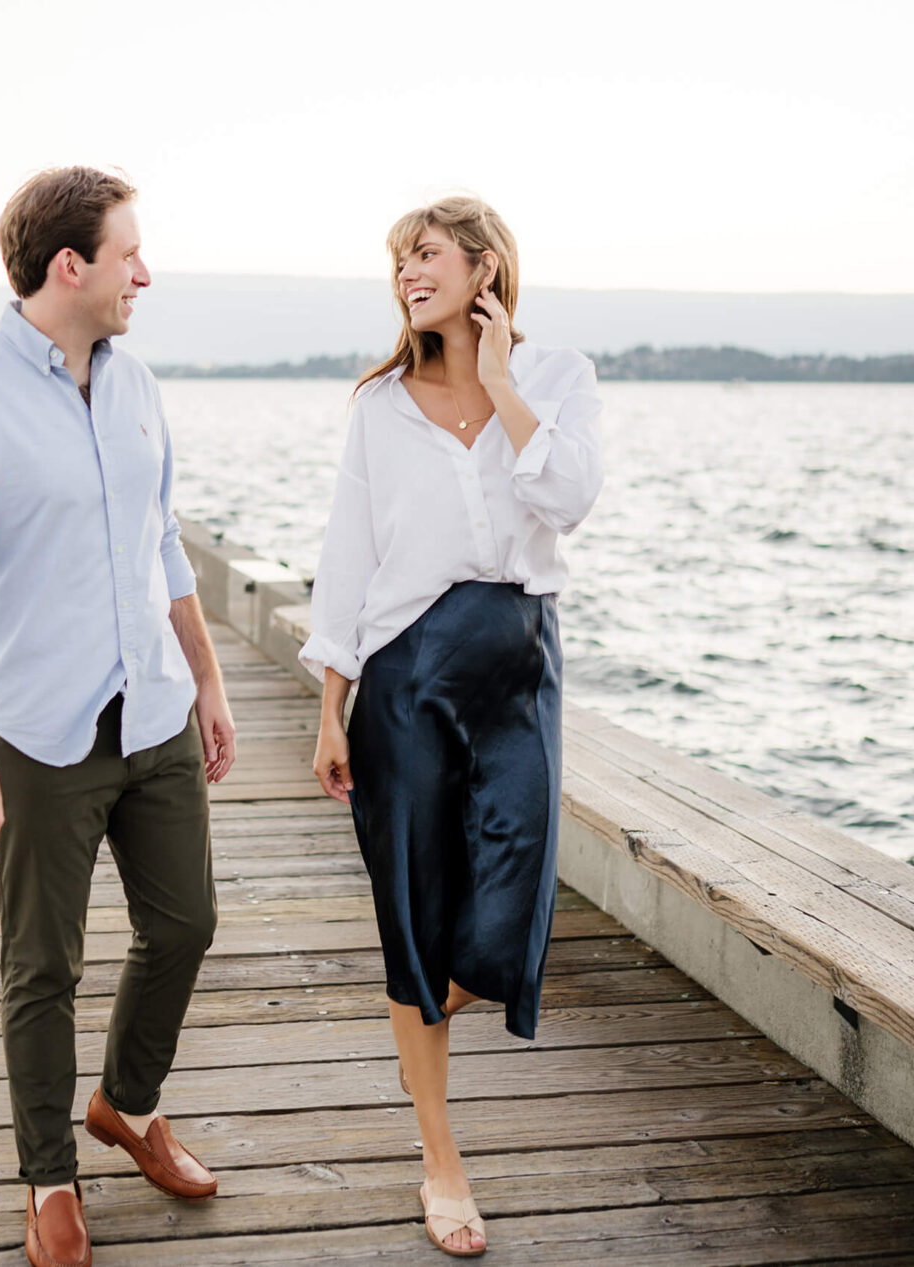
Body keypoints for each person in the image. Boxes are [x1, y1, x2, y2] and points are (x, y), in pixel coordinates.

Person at [0, 167, 237, 1267]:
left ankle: (127, 1107)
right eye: (129, 252)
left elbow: (162, 539)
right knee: (42, 967)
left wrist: (212, 681)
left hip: (157, 711)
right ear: (68, 267)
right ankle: (49, 1173)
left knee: (184, 925)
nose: (147, 271)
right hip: (39, 731)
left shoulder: (137, 384)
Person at [302, 195, 603, 1257]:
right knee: (413, 920)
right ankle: (440, 1158)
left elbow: (568, 498)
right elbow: (347, 555)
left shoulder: (559, 378)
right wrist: (329, 704)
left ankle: (426, 1009)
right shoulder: (379, 404)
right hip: (405, 676)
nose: (405, 275)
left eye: (424, 255)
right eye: (396, 261)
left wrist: (506, 383)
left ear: (484, 269)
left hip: (518, 667)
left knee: (504, 915)